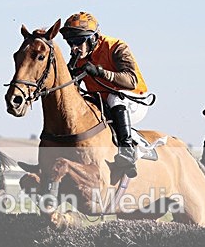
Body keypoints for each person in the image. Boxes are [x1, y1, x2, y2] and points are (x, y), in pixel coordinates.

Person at [59, 11, 151, 177]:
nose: (73, 47)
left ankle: (127, 150)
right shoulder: (78, 57)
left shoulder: (116, 47)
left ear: (93, 38)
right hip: (103, 101)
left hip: (134, 99)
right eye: (70, 42)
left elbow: (131, 81)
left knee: (114, 98)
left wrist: (100, 72)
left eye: (78, 41)